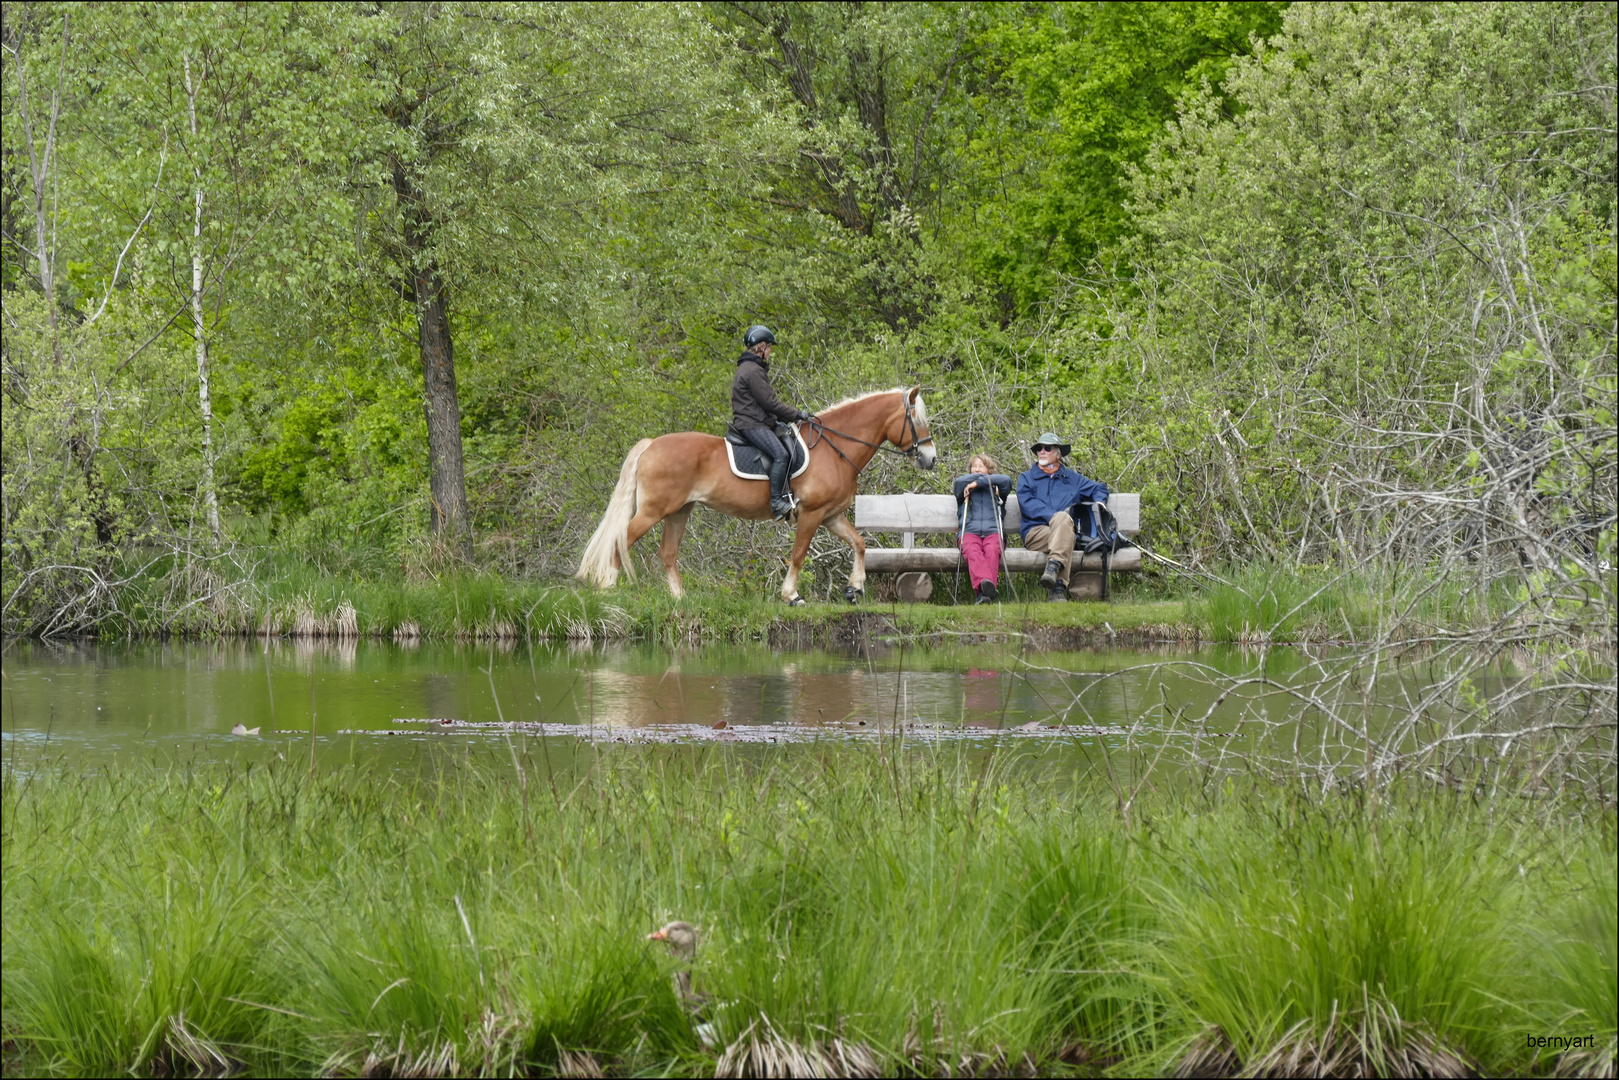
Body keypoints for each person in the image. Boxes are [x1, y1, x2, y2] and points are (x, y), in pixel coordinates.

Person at [1015, 432, 1110, 601]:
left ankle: (1053, 571)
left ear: (1058, 454)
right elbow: (1028, 505)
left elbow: (1099, 488)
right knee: (1066, 528)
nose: (1042, 451)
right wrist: (1057, 517)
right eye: (1039, 448)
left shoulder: (1072, 478)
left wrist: (1100, 503)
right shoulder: (1026, 478)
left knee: (1067, 533)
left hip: (1065, 532)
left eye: (1047, 448)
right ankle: (1057, 589)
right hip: (1035, 533)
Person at [731, 325, 812, 519]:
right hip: (752, 424)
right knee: (780, 455)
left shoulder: (751, 368)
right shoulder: (752, 371)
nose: (771, 351)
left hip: (759, 420)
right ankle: (776, 501)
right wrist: (797, 414)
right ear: (761, 348)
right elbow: (769, 403)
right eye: (769, 347)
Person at [953, 453, 1012, 604]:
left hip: (993, 531)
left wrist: (979, 483)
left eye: (981, 466)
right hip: (969, 532)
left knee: (992, 550)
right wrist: (975, 483)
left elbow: (1007, 480)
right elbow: (957, 481)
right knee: (972, 550)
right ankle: (986, 590)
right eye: (974, 467)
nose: (977, 469)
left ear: (989, 469)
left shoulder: (997, 488)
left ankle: (982, 594)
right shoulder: (963, 486)